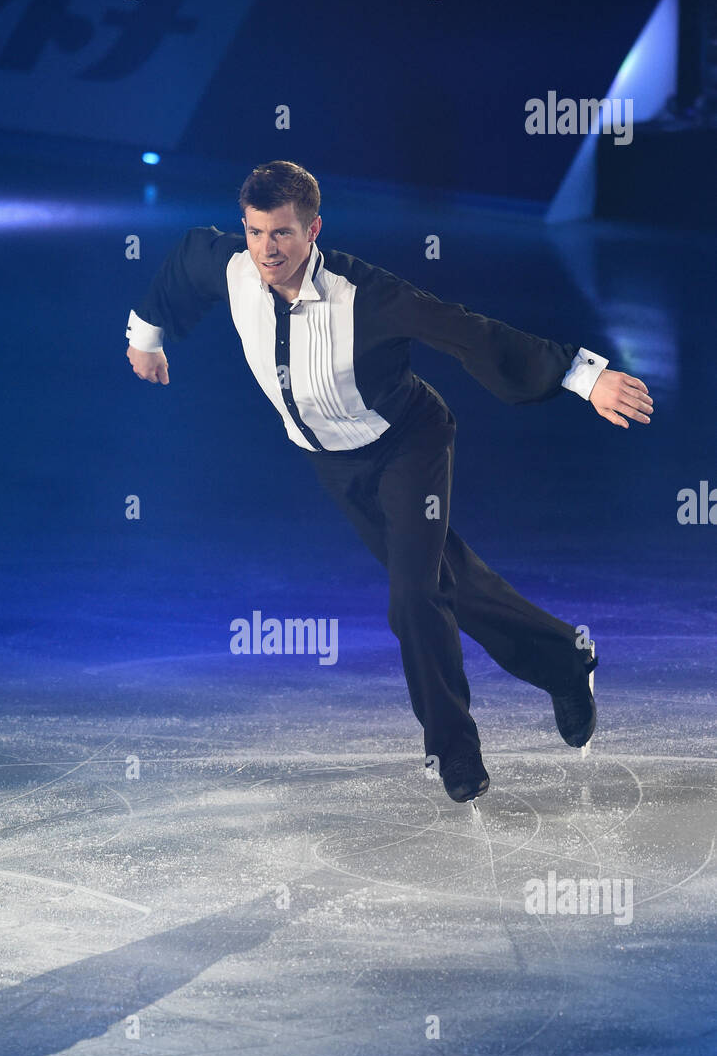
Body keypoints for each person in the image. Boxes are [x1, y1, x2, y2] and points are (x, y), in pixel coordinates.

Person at [125, 161, 653, 803]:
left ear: (314, 229)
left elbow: (468, 332)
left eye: (284, 233)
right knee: (445, 584)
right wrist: (146, 336)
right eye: (258, 232)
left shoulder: (365, 295)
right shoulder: (234, 266)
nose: (269, 249)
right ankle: (567, 662)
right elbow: (186, 259)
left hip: (409, 447)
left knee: (413, 599)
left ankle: (454, 753)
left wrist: (582, 375)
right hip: (333, 464)